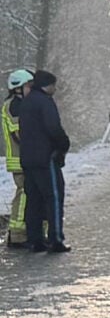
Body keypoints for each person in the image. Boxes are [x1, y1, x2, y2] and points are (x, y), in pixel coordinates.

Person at [18, 70, 71, 252]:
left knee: (33, 200)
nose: (55, 89)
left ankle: (35, 239)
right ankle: (56, 239)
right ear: (46, 85)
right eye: (53, 85)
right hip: (45, 158)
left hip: (27, 158)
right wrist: (64, 144)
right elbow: (53, 128)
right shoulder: (45, 102)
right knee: (53, 197)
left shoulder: (26, 102)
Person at [2, 69, 33, 248]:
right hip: (20, 159)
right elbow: (19, 133)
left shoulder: (20, 103)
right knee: (23, 194)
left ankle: (24, 230)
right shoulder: (14, 105)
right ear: (18, 88)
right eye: (29, 85)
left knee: (28, 194)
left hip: (25, 158)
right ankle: (18, 234)